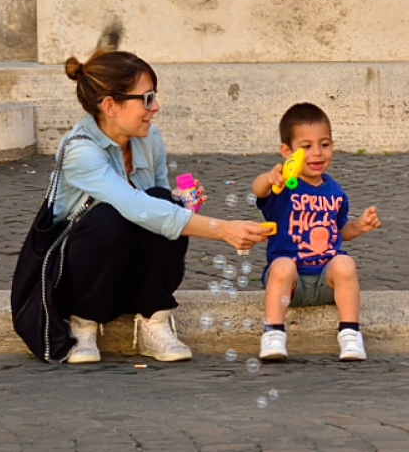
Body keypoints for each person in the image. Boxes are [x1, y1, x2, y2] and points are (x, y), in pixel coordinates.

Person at [52, 50, 270, 364]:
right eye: (147, 98)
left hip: (124, 267)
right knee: (106, 219)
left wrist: (181, 200)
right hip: (78, 275)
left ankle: (153, 319)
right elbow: (135, 207)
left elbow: (155, 203)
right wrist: (223, 230)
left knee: (164, 200)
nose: (156, 107)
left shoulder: (149, 138)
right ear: (111, 106)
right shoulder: (80, 152)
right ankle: (82, 323)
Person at [251, 103, 382, 362]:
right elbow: (258, 190)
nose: (317, 153)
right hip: (291, 282)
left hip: (325, 280)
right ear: (288, 152)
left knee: (345, 262)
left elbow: (339, 231)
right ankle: (274, 334)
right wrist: (269, 178)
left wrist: (360, 226)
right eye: (306, 147)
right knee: (282, 266)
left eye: (324, 144)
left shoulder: (335, 192)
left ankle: (350, 334)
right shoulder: (282, 186)